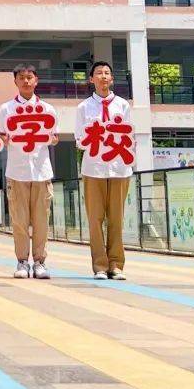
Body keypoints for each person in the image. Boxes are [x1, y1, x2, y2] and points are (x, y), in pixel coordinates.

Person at [0, 64, 59, 280]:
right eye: (21, 77)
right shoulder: (6, 109)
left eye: (29, 77)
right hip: (17, 171)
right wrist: (5, 139)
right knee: (19, 220)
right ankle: (22, 261)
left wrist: (52, 139)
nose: (26, 81)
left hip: (41, 171)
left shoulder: (48, 109)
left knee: (42, 219)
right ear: (15, 81)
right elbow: (1, 136)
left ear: (36, 80)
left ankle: (40, 261)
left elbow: (54, 137)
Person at [75, 60, 134, 280]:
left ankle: (116, 264)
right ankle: (99, 265)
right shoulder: (83, 108)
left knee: (116, 218)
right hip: (93, 168)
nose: (103, 76)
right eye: (98, 73)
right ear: (91, 79)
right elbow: (79, 139)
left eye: (107, 73)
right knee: (95, 218)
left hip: (119, 168)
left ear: (112, 79)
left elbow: (128, 135)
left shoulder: (122, 105)